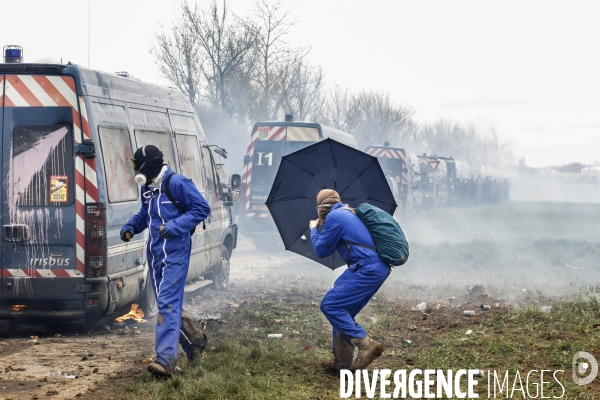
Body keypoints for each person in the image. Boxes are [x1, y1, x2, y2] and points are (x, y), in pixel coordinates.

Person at [120, 145, 211, 378]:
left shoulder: (177, 183)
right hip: (156, 254)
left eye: (137, 166)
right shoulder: (148, 188)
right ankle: (195, 341)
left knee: (167, 305)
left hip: (176, 253)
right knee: (166, 304)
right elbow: (145, 215)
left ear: (149, 166)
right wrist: (131, 226)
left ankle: (165, 362)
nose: (135, 172)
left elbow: (201, 208)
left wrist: (175, 226)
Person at [309, 189, 390, 371]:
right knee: (343, 315)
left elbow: (322, 250)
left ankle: (367, 344)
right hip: (378, 267)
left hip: (367, 267)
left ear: (321, 206)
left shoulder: (335, 217)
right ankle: (343, 365)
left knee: (330, 305)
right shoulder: (347, 212)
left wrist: (314, 229)